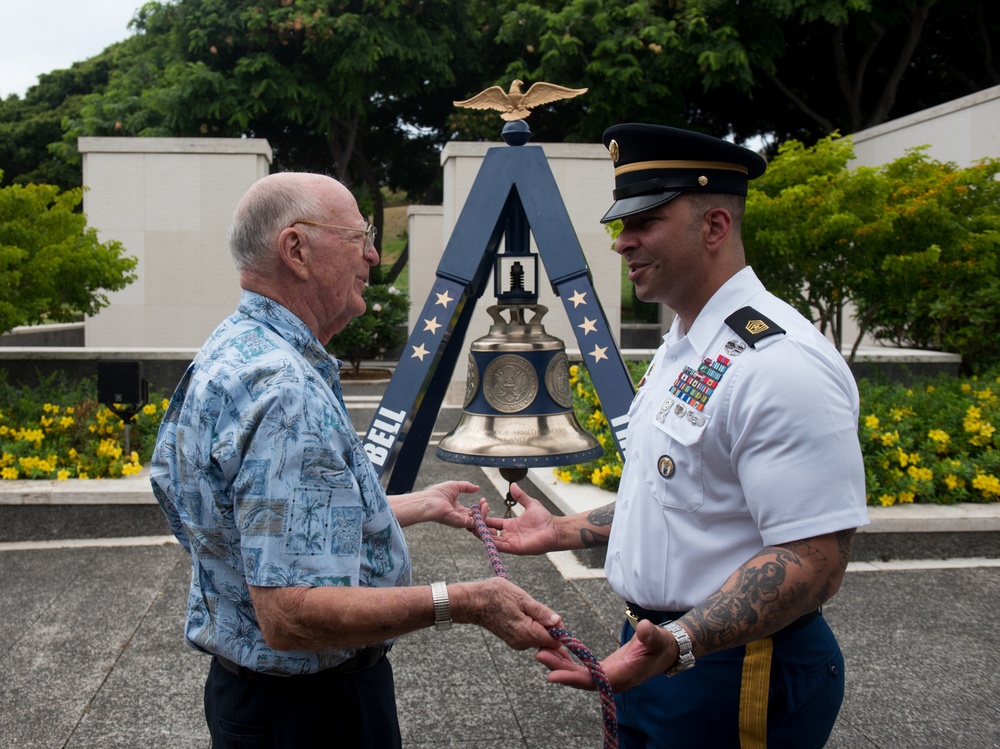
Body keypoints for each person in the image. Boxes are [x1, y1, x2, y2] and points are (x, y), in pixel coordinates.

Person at [478, 124, 870, 748]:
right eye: (620, 224)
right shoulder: (685, 345)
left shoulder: (778, 363)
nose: (621, 243)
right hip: (658, 653)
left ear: (714, 227)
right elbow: (680, 493)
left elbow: (815, 559)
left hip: (738, 669)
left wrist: (680, 643)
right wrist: (563, 531)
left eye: (645, 223)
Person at [149, 171, 562, 748]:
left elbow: (259, 520)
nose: (373, 253)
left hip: (259, 704)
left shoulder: (233, 349)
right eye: (358, 237)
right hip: (313, 717)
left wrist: (413, 506)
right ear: (296, 249)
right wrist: (466, 601)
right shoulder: (285, 390)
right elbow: (291, 616)